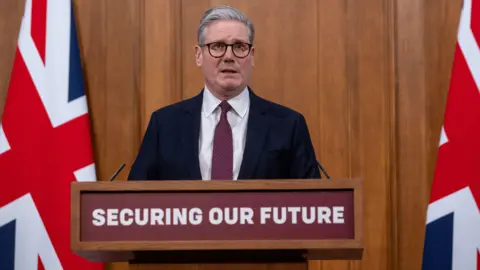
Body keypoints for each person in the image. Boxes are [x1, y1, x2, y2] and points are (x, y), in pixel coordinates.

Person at [128, 5, 321, 180]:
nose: (229, 56)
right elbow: (137, 201)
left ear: (251, 56)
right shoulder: (164, 125)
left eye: (239, 47)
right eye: (218, 46)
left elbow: (313, 206)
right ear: (198, 56)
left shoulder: (288, 126)